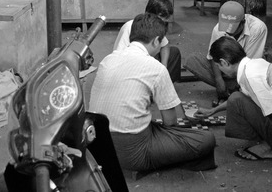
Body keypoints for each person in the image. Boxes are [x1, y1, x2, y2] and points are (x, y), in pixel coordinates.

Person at [89, 13, 216, 172]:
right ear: (156, 41)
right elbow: (170, 123)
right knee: (206, 139)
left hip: (98, 145)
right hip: (132, 153)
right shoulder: (156, 68)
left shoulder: (108, 60)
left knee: (151, 124)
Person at [194, 36, 272, 161]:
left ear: (224, 62)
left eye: (218, 65)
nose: (219, 69)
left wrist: (259, 110)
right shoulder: (254, 64)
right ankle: (270, 140)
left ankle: (271, 147)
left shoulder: (251, 77)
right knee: (237, 97)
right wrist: (213, 111)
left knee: (237, 100)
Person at [185, 1, 267, 105]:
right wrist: (219, 79)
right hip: (226, 68)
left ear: (243, 22)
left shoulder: (258, 28)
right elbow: (212, 57)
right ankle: (231, 89)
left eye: (233, 28)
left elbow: (248, 65)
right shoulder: (218, 29)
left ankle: (237, 91)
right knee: (193, 60)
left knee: (254, 76)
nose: (228, 32)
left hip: (246, 71)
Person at [113, 0, 181, 83]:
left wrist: (163, 67)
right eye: (162, 21)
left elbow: (165, 45)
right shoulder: (130, 27)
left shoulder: (157, 26)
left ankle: (162, 86)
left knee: (174, 52)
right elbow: (120, 59)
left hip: (146, 64)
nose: (164, 25)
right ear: (150, 15)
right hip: (131, 69)